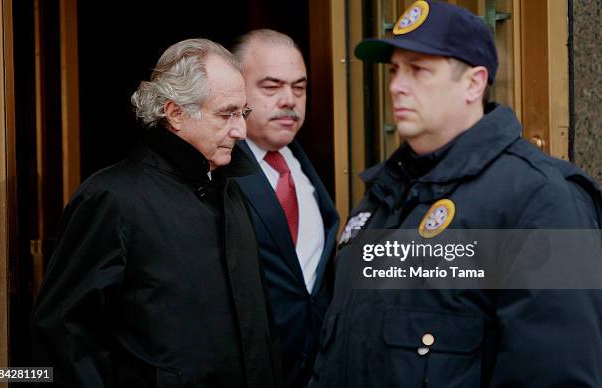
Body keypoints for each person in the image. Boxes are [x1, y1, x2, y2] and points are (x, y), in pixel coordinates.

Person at [311, 1, 602, 387]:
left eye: (419, 70)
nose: (397, 85)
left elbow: (558, 374)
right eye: (395, 70)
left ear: (474, 83)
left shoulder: (541, 199)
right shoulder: (382, 198)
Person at [30, 38, 281, 387]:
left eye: (243, 113)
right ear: (175, 113)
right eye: (226, 114)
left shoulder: (230, 188)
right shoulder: (112, 198)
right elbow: (64, 336)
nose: (240, 131)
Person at [231, 29, 339, 387]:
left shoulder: (308, 167)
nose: (289, 100)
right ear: (237, 89)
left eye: (299, 87)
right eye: (271, 86)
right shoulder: (217, 176)